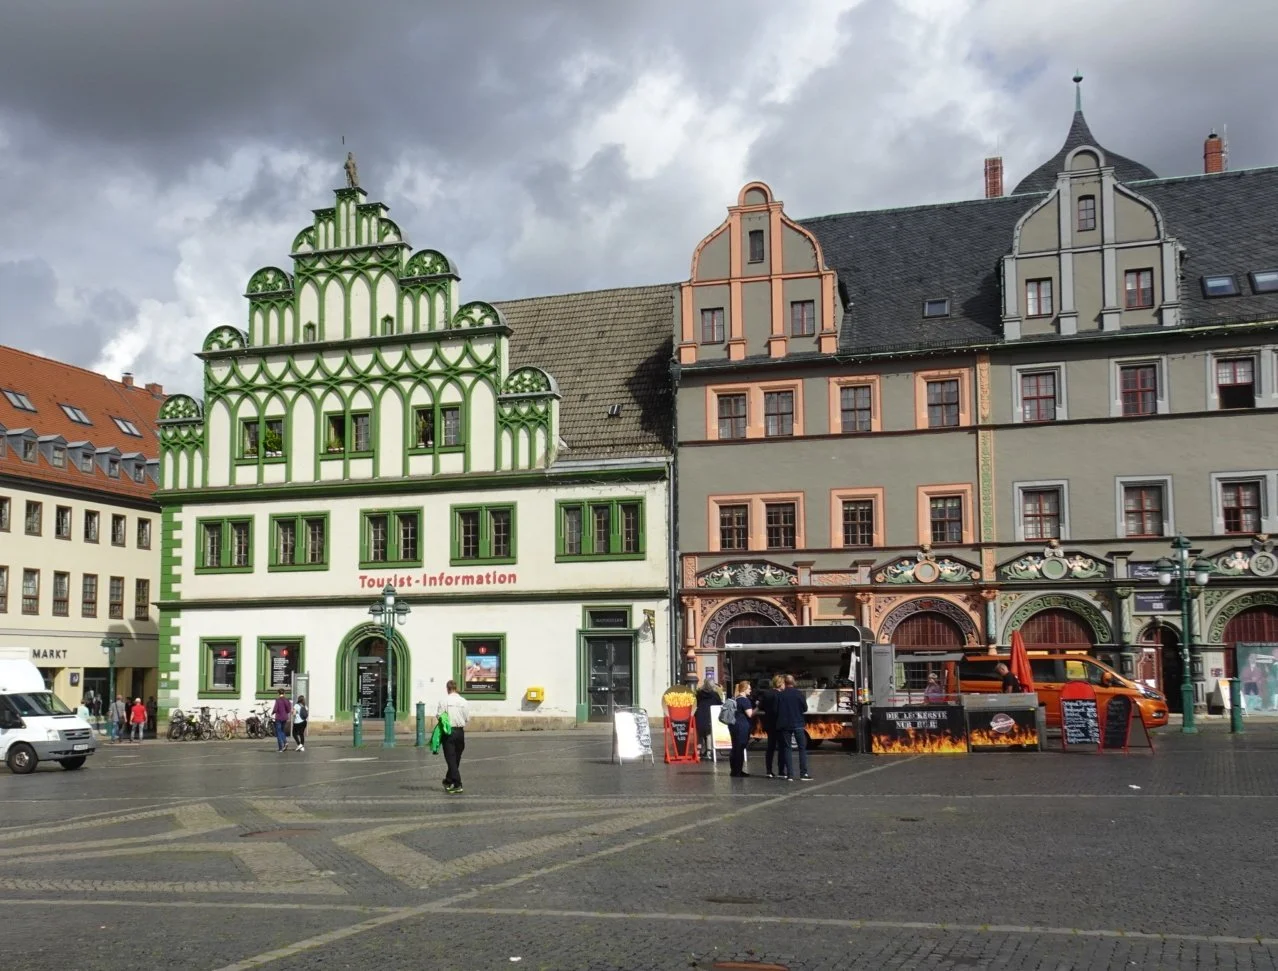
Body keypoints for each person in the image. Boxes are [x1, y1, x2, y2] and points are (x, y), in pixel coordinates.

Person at [775, 674, 811, 781]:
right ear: (793, 682)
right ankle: (803, 773)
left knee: (787, 748)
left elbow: (776, 709)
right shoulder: (799, 694)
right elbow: (805, 708)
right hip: (798, 723)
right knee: (802, 748)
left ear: (784, 682)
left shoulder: (780, 695)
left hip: (785, 724)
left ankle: (790, 774)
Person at [437, 680, 469, 793]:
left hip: (448, 732)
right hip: (460, 732)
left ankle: (458, 784)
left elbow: (439, 716)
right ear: (456, 688)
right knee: (456, 759)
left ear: (447, 688)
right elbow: (467, 718)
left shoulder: (443, 701)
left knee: (451, 759)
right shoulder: (464, 701)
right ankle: (448, 780)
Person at [755, 674, 784, 778]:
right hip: (780, 723)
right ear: (780, 683)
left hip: (769, 723)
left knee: (770, 747)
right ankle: (781, 770)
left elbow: (760, 706)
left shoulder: (766, 694)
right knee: (782, 747)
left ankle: (769, 770)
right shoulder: (781, 695)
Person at [728, 681, 755, 778]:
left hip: (733, 726)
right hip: (742, 727)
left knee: (735, 748)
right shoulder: (744, 700)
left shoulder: (735, 698)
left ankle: (734, 770)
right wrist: (758, 708)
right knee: (740, 748)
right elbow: (750, 714)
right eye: (749, 688)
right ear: (744, 689)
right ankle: (738, 771)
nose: (750, 690)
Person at [694, 678, 721, 758]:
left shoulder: (699, 694)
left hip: (700, 715)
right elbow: (719, 704)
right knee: (708, 734)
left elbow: (696, 703)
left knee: (700, 734)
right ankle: (709, 751)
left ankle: (699, 751)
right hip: (710, 716)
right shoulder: (715, 694)